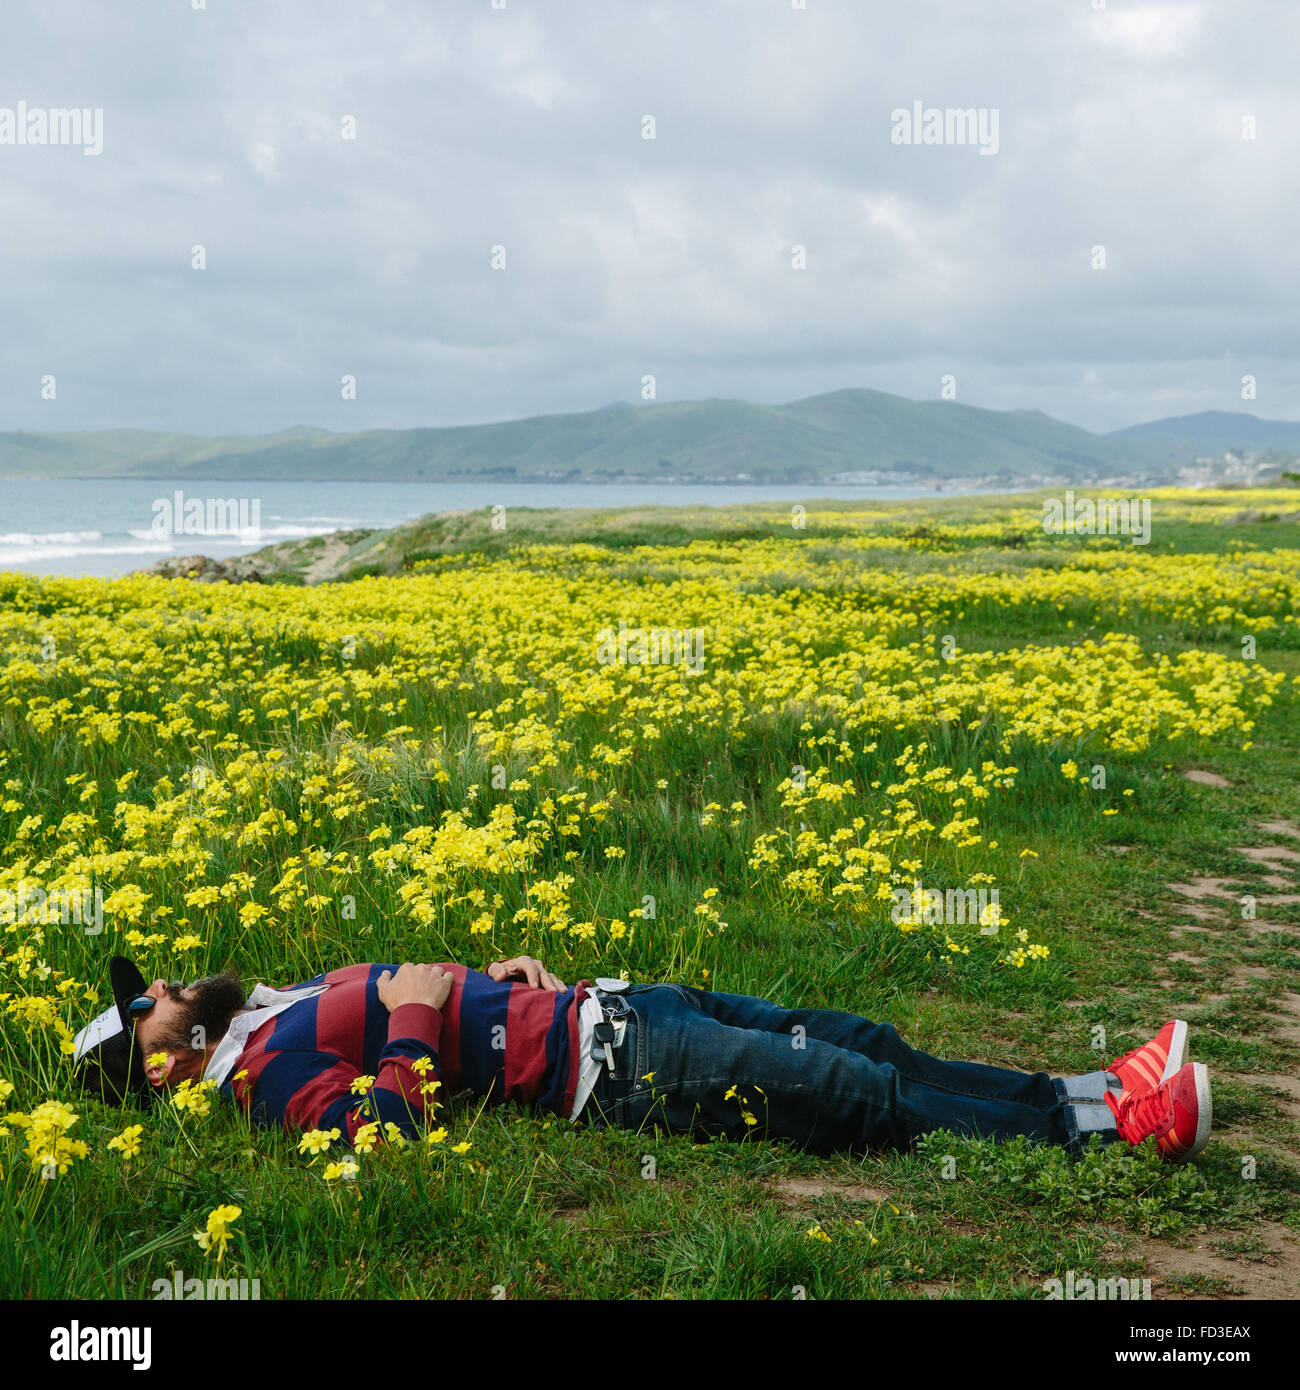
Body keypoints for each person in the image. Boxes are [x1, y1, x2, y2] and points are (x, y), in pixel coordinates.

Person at [73, 954, 1211, 1163]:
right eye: (148, 1014)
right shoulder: (261, 1079)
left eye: (152, 989)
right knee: (853, 1094)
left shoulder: (261, 1014)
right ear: (165, 1072)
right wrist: (423, 1021)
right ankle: (1112, 1131)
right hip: (615, 1068)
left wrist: (494, 980)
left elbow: (417, 1009)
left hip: (598, 1007)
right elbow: (374, 1138)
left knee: (860, 1039)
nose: (165, 990)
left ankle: (1088, 1089)